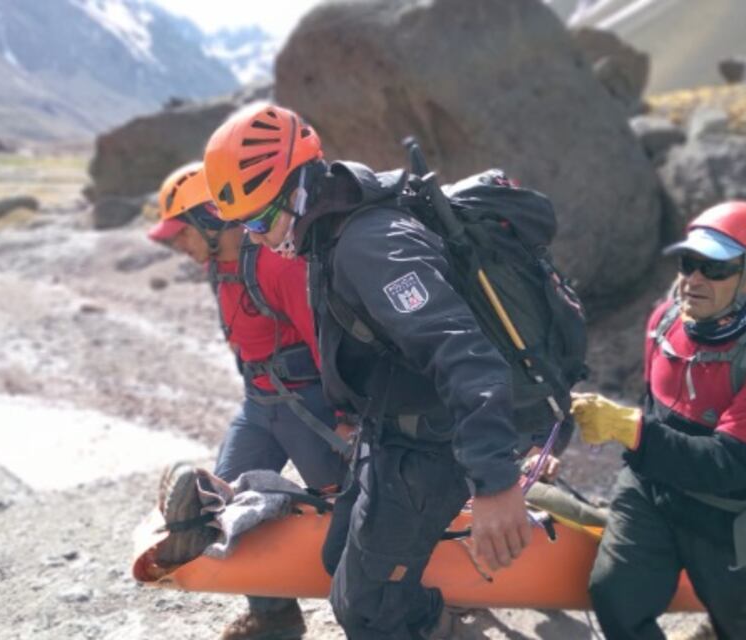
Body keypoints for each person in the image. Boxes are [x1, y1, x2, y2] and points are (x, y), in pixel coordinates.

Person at [203, 102, 559, 639]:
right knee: (338, 563)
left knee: (366, 611)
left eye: (257, 220)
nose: (253, 237)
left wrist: (495, 484)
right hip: (391, 434)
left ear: (298, 191)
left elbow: (464, 353)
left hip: (433, 445)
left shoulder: (369, 245)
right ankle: (437, 621)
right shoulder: (327, 232)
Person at [575, 201, 746, 639]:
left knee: (739, 628)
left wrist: (630, 430)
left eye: (715, 268)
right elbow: (654, 406)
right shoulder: (665, 320)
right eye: (688, 262)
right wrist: (637, 435)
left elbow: (730, 464)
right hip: (653, 490)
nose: (693, 279)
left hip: (731, 517)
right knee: (614, 595)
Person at [149, 161, 350, 640]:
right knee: (227, 512)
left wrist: (346, 416)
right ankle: (275, 617)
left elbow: (325, 342)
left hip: (310, 408)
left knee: (347, 514)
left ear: (210, 217)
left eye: (181, 233)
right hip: (259, 406)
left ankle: (395, 611)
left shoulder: (275, 264)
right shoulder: (218, 268)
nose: (178, 246)